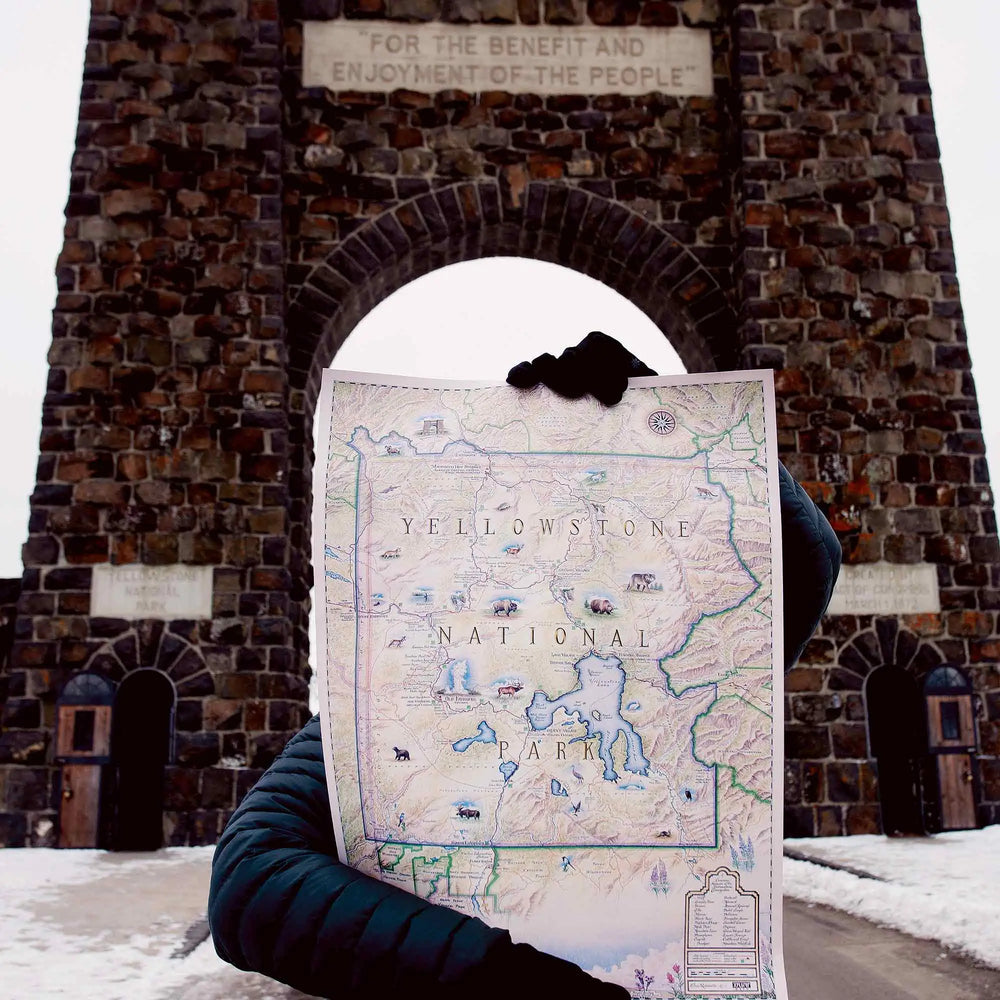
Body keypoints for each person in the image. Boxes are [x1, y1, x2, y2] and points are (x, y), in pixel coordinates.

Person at [208, 333, 841, 999]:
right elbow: (251, 883)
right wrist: (499, 976)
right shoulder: (382, 706)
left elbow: (802, 567)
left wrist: (672, 428)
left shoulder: (661, 678)